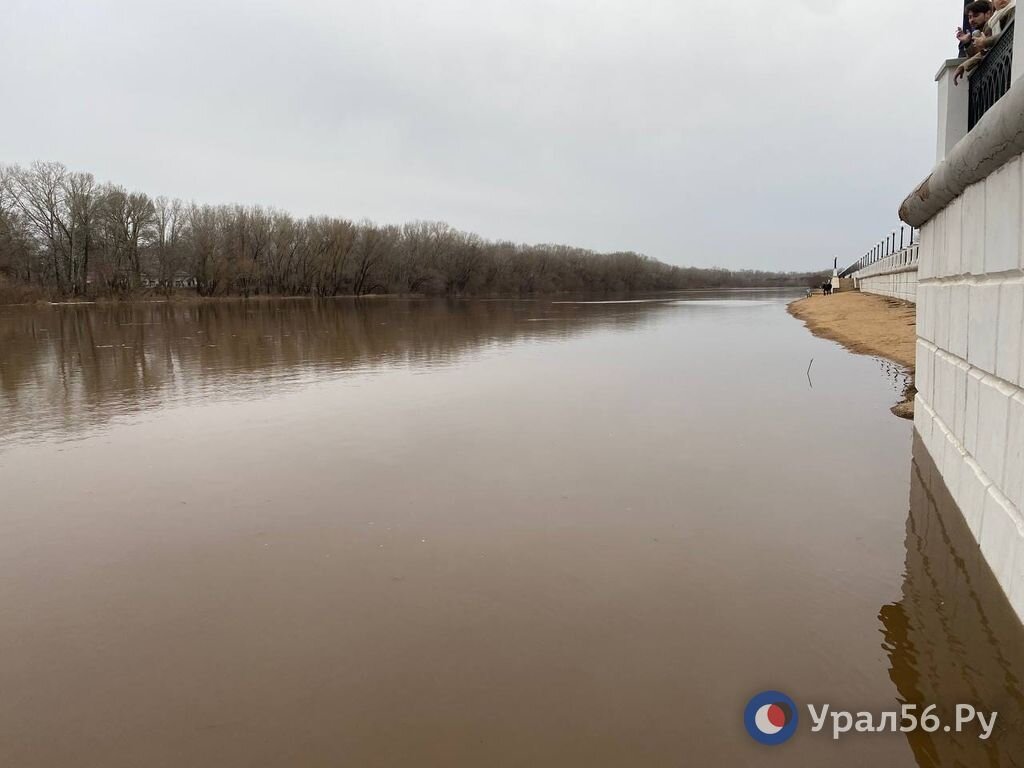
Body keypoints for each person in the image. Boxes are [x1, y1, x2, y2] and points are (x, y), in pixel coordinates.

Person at [955, 0, 1015, 85]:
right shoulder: (992, 22)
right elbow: (984, 51)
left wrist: (985, 42)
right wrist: (968, 44)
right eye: (969, 17)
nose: (971, 20)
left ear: (988, 13)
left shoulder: (1013, 9)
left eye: (975, 16)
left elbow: (1007, 36)